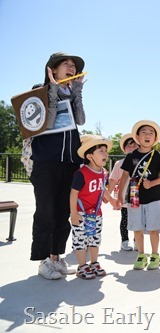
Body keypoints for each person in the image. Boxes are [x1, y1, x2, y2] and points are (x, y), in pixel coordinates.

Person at [29, 52, 86, 280]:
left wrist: (78, 93)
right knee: (46, 211)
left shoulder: (72, 93)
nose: (71, 67)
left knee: (64, 211)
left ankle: (56, 258)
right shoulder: (38, 91)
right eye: (66, 64)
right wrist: (52, 90)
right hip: (46, 161)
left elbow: (80, 120)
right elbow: (47, 122)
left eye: (74, 65)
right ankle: (43, 260)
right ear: (52, 69)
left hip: (71, 160)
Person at [117, 120, 160, 270]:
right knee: (137, 228)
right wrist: (120, 195)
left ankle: (155, 255)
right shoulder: (131, 155)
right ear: (137, 136)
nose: (147, 135)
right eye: (144, 132)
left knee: (153, 229)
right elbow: (124, 175)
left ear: (155, 138)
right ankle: (141, 255)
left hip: (153, 198)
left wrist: (152, 183)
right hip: (134, 198)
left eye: (151, 133)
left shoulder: (157, 155)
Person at [70, 135, 118, 279]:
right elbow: (73, 193)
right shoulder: (82, 173)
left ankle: (94, 263)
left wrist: (112, 200)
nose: (105, 153)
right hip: (81, 213)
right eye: (101, 151)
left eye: (105, 150)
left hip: (96, 213)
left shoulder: (104, 173)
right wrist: (73, 213)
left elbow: (103, 190)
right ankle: (82, 266)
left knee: (95, 239)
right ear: (90, 156)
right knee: (80, 240)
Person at [108, 133, 139, 251]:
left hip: (138, 196)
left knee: (138, 220)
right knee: (125, 219)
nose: (132, 148)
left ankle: (137, 241)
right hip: (124, 196)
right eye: (129, 146)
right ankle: (124, 241)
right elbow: (113, 180)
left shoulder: (141, 162)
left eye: (135, 146)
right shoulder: (119, 163)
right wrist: (107, 196)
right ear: (124, 148)